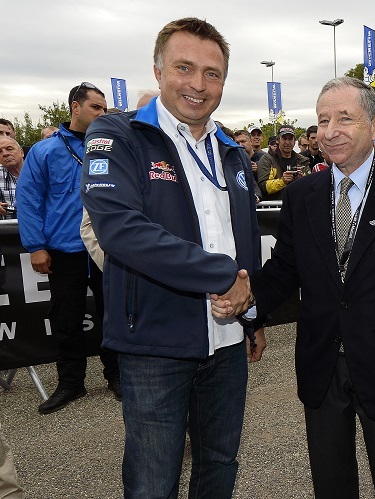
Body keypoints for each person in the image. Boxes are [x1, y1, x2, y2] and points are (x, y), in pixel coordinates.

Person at [214, 76, 375, 498]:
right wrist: (247, 300)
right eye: (322, 120)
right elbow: (284, 270)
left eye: (344, 118)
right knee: (331, 483)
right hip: (321, 364)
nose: (330, 130)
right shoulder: (302, 196)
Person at [80, 18, 264, 497]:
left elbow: (243, 235)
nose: (199, 84)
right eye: (185, 68)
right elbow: (120, 229)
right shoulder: (117, 135)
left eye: (213, 73)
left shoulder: (231, 151)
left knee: (219, 465)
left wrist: (253, 312)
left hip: (227, 341)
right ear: (159, 71)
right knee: (152, 479)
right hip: (155, 344)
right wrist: (223, 275)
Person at [15, 82, 120, 415]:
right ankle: (71, 384)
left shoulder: (112, 146)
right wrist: (35, 245)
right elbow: (28, 199)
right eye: (96, 108)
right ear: (76, 107)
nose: (102, 113)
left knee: (114, 315)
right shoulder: (45, 151)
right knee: (66, 318)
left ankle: (117, 377)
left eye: (105, 108)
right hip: (64, 250)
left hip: (107, 248)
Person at [256, 124, 311, 201]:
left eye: (290, 139)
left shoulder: (303, 160)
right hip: (275, 208)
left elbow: (310, 186)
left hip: (297, 205)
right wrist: (282, 181)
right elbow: (263, 187)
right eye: (284, 139)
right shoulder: (267, 159)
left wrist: (302, 180)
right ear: (278, 140)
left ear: (294, 142)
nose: (287, 142)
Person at [0, 137, 23, 219]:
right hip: (7, 229)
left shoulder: (38, 171)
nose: (5, 154)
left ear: (21, 152)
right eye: (0, 151)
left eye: (9, 149)